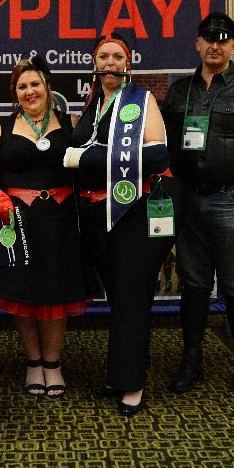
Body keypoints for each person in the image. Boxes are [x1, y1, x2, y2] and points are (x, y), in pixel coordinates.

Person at [162, 12, 234, 399]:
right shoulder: (179, 92)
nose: (216, 45)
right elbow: (163, 147)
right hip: (188, 199)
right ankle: (191, 360)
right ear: (198, 43)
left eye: (224, 39)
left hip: (233, 199)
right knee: (194, 284)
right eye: (209, 38)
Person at [66, 32, 176, 416]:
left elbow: (158, 154)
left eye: (116, 57)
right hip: (96, 216)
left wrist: (85, 159)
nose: (109, 63)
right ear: (94, 64)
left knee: (130, 296)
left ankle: (132, 383)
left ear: (128, 64)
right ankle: (121, 372)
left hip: (131, 213)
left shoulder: (141, 100)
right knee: (118, 296)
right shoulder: (92, 103)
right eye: (103, 57)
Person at [0, 57, 88, 398]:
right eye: (22, 86)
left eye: (35, 84)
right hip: (16, 224)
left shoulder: (72, 122)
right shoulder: (1, 127)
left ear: (47, 87)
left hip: (62, 224)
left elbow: (91, 166)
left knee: (55, 294)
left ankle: (53, 364)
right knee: (23, 294)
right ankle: (33, 362)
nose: (29, 91)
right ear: (15, 92)